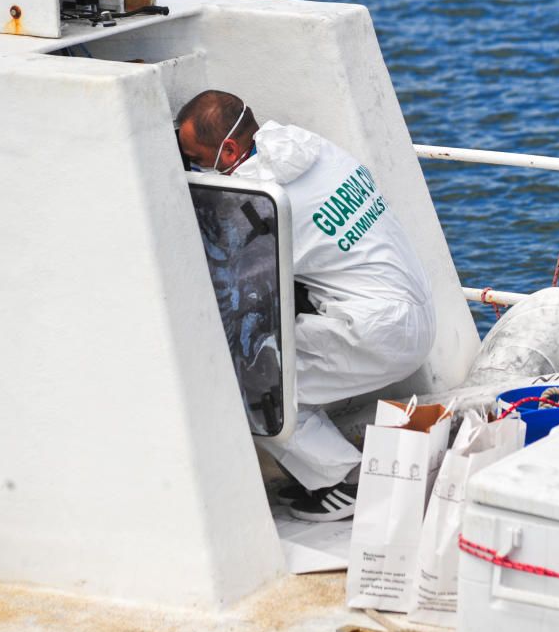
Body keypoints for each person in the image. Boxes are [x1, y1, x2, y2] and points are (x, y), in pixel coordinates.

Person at [177, 90, 436, 521]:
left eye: (198, 158)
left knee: (248, 381)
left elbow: (234, 282)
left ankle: (341, 481)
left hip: (378, 331)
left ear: (230, 150)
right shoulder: (303, 145)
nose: (198, 167)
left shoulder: (255, 199)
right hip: (416, 309)